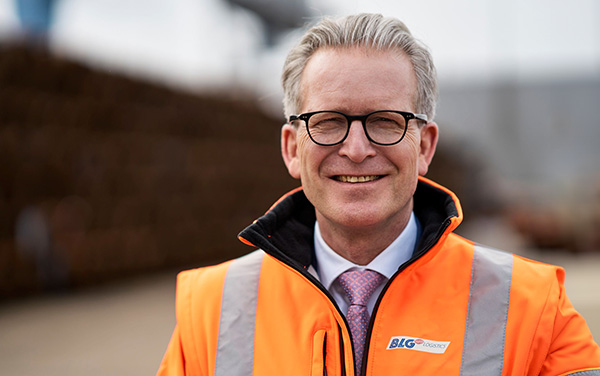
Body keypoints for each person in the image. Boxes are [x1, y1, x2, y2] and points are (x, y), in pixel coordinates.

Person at [157, 13, 600, 375]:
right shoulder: (210, 313)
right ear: (292, 149)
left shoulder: (531, 307)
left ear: (424, 146)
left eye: (385, 121)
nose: (355, 150)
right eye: (328, 121)